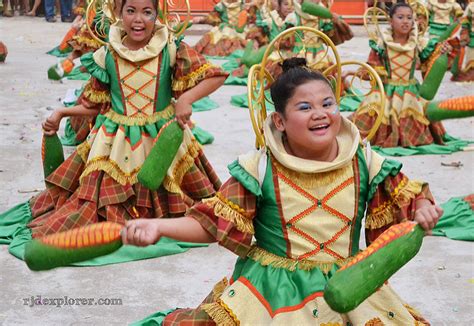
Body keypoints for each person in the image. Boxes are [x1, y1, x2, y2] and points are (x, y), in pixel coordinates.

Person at [123, 58, 442, 325]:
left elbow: (410, 199)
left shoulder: (367, 161)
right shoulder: (258, 169)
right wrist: (158, 226)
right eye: (305, 107)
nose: (320, 113)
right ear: (279, 121)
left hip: (351, 287)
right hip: (273, 295)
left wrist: (424, 208)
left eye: (327, 103)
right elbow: (212, 225)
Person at [0, 0, 227, 242]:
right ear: (118, 13)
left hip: (161, 138)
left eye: (146, 12)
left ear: (157, 15)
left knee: (190, 205)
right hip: (114, 141)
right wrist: (62, 113)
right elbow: (94, 104)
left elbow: (216, 76)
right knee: (96, 205)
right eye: (131, 11)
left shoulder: (171, 48)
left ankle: (156, 226)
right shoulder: (106, 54)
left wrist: (187, 99)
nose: (138, 19)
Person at [351, 3, 454, 148]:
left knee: (418, 116)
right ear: (391, 21)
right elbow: (372, 69)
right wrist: (358, 73)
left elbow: (431, 61)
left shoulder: (418, 43)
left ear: (414, 21)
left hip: (411, 92)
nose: (405, 21)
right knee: (373, 116)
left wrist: (442, 51)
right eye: (400, 17)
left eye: (409, 17)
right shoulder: (381, 44)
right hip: (386, 91)